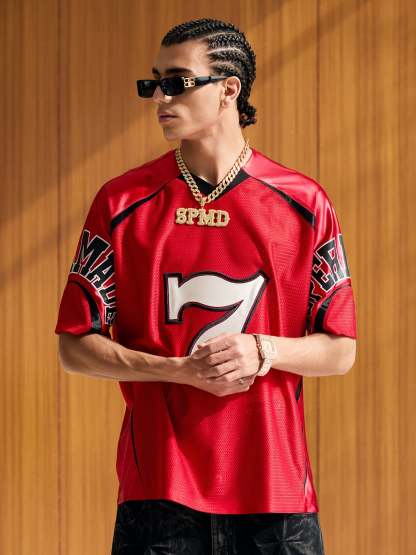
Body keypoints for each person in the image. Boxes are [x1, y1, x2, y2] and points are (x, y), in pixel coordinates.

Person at [55, 17, 357, 555]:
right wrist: (177, 370)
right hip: (158, 496)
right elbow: (75, 347)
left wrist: (262, 349)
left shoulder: (304, 203)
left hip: (276, 494)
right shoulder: (121, 203)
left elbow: (340, 351)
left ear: (228, 90)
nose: (160, 98)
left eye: (177, 82)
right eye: (154, 84)